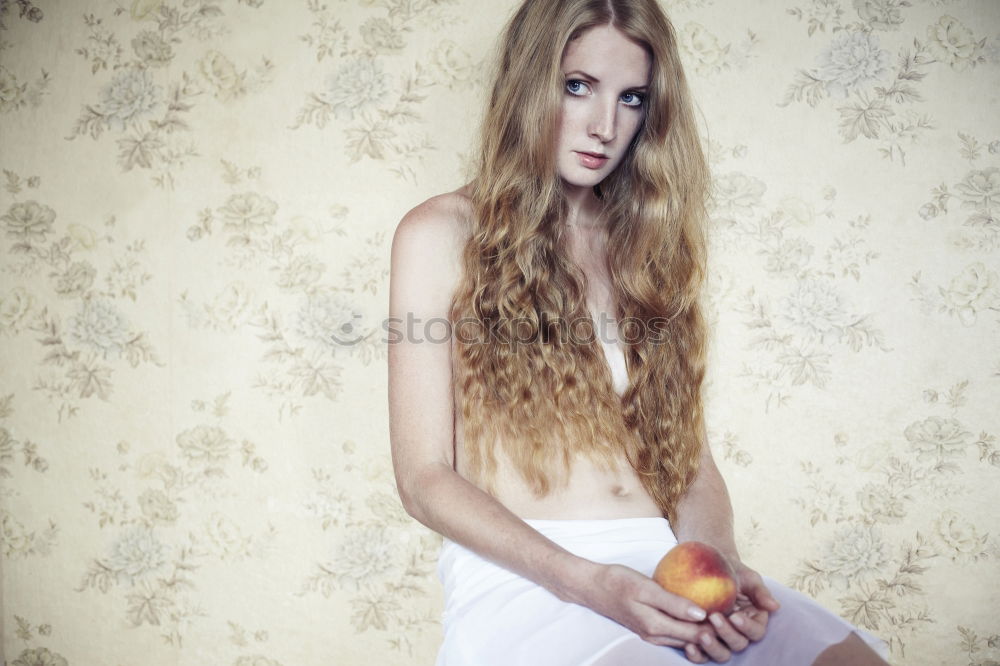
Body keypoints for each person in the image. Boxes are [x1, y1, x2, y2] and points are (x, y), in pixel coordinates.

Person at [387, 0, 892, 663]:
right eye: (578, 87)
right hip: (531, 579)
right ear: (527, 84)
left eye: (632, 98)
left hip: (665, 573)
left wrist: (722, 565)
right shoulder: (439, 233)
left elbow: (690, 463)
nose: (605, 125)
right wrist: (588, 582)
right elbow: (425, 479)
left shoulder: (641, 247)